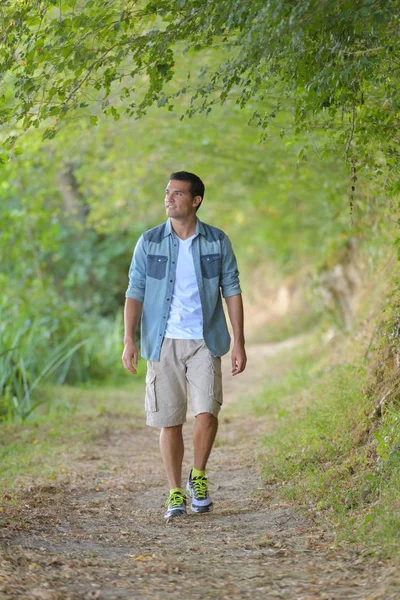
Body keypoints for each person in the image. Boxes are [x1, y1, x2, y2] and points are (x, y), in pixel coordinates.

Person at [122, 171, 246, 519]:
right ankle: (175, 491)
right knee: (170, 420)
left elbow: (232, 290)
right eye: (167, 192)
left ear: (196, 201)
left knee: (207, 411)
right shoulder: (149, 241)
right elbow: (135, 291)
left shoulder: (217, 241)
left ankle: (199, 476)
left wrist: (239, 341)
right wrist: (128, 339)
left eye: (177, 194)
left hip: (206, 339)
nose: (169, 198)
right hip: (163, 342)